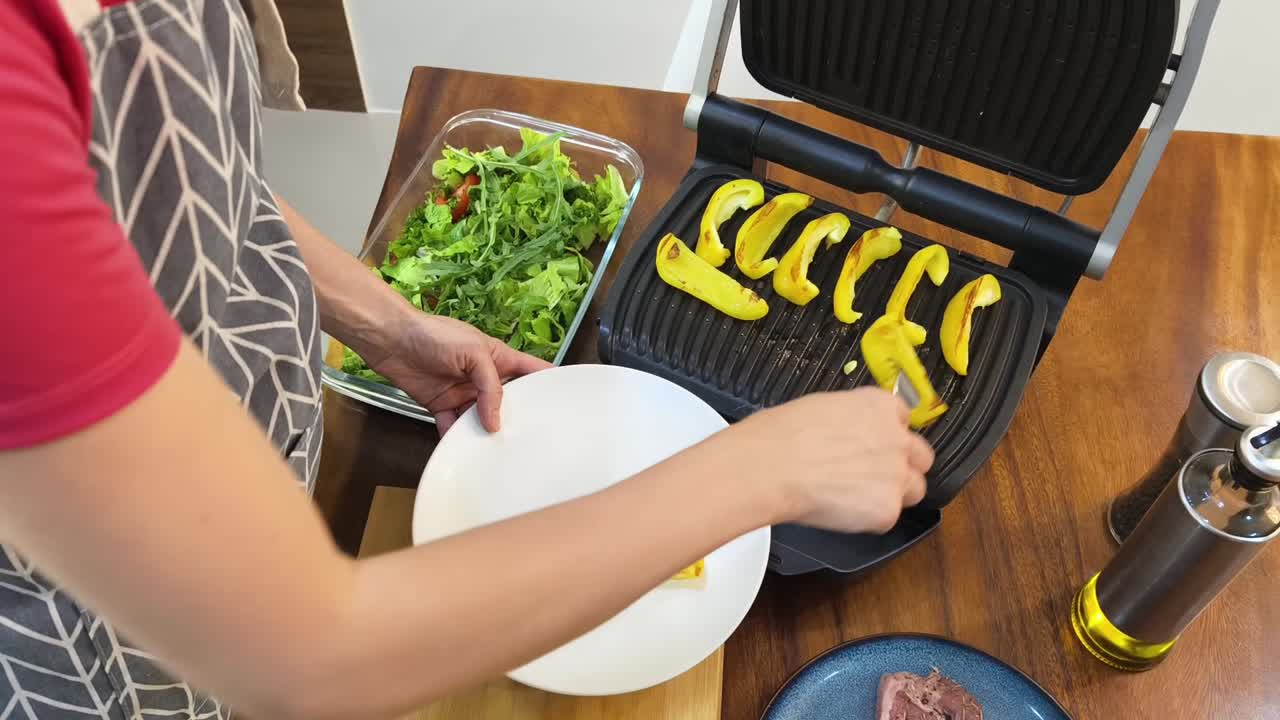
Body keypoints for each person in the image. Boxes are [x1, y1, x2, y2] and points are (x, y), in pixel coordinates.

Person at [0, 0, 935, 717]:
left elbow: (177, 188)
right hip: (111, 647)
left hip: (244, 493)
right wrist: (761, 469)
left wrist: (381, 321)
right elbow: (304, 654)